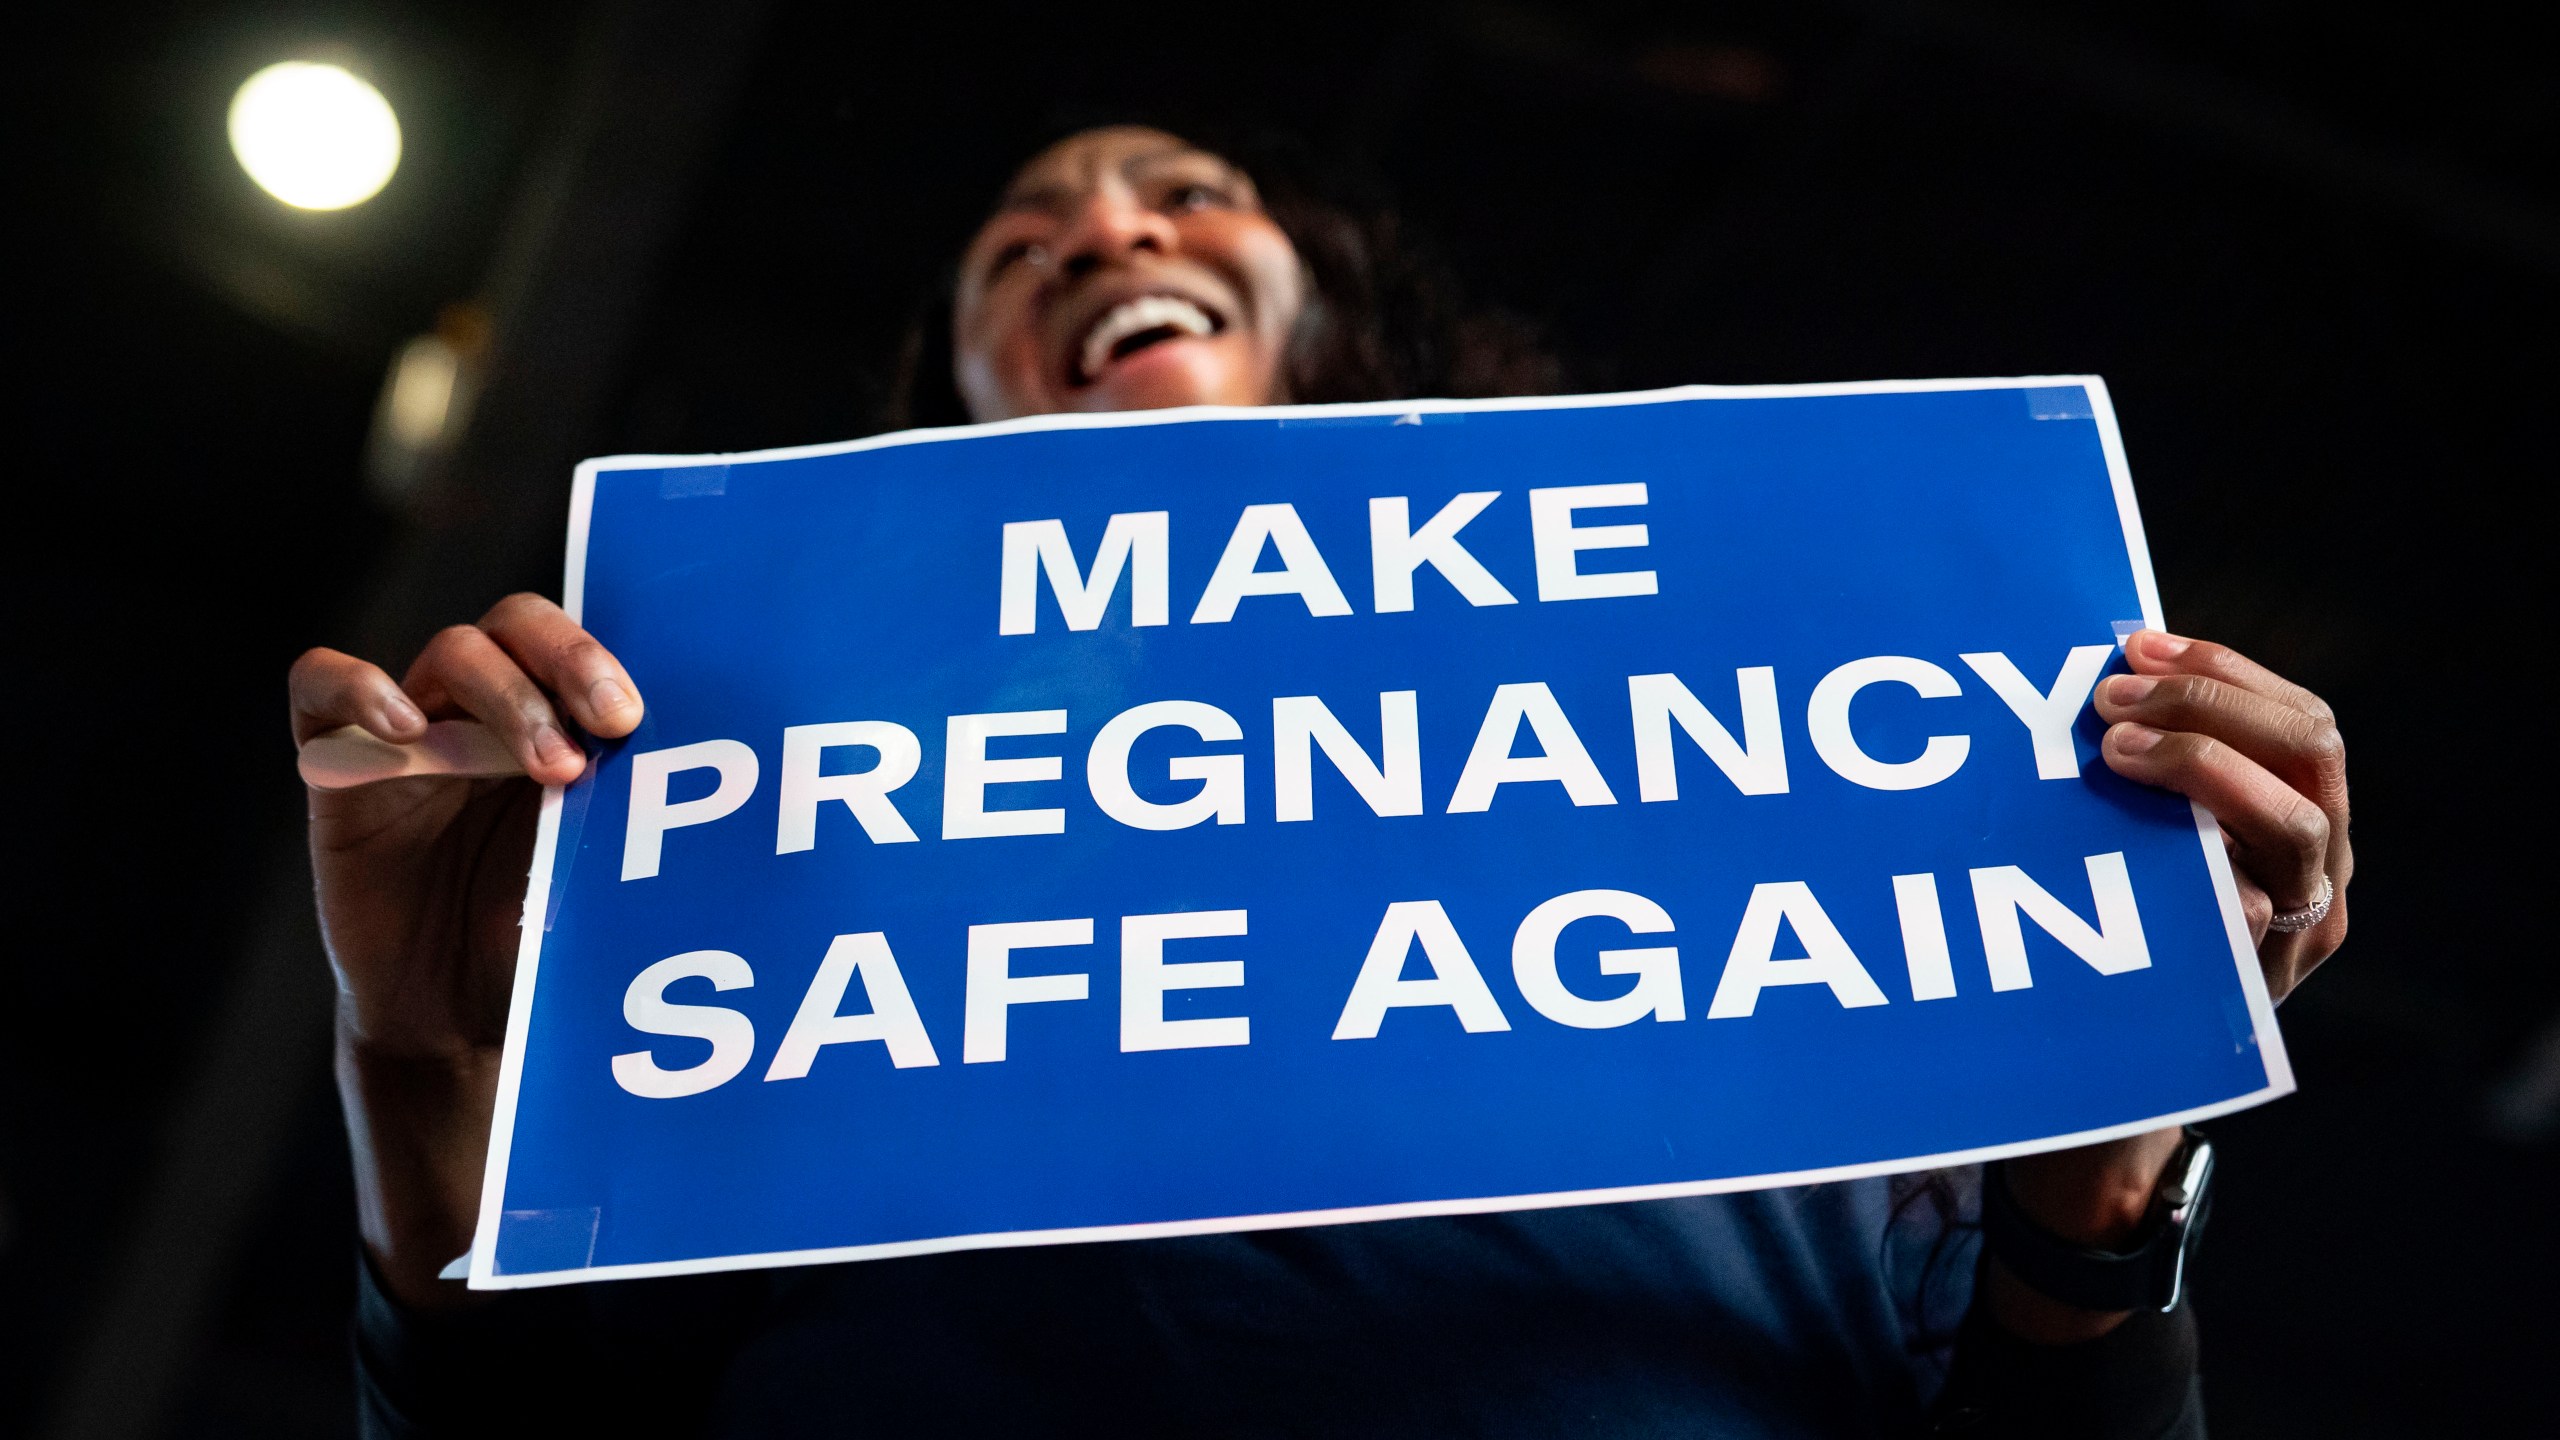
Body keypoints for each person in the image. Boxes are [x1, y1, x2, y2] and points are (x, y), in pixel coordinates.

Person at [289, 125, 2352, 1438]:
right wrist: (423, 1067)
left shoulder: (1801, 864)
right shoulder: (723, 889)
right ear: (953, 423)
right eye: (1019, 250)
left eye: (1181, 198)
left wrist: (2104, 1138)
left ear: (1332, 321)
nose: (1103, 232)